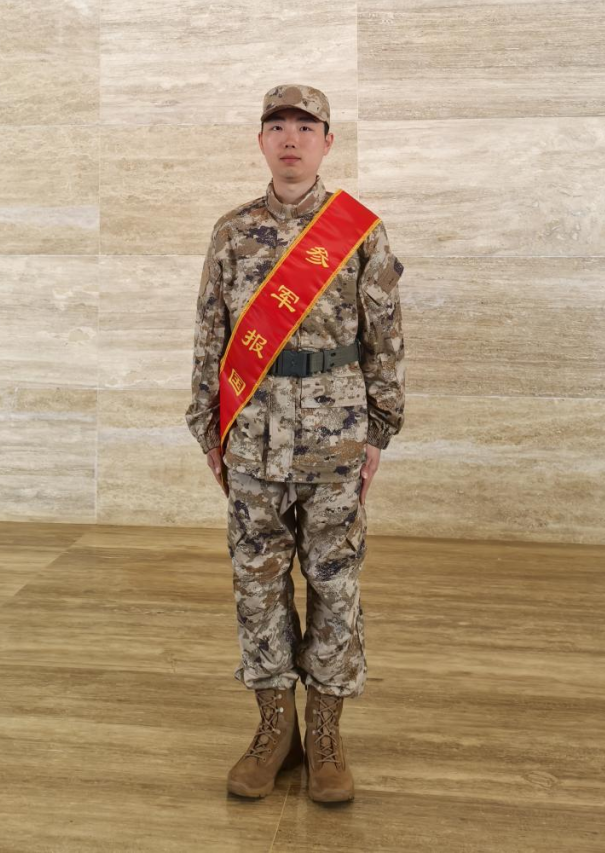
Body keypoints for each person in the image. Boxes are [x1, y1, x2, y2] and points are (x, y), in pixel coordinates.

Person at [185, 83, 406, 803]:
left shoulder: (359, 231)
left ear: (327, 141)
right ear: (260, 140)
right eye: (277, 125)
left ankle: (326, 734)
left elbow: (385, 336)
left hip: (335, 438)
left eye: (305, 127)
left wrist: (380, 428)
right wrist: (208, 424)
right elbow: (210, 332)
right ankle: (274, 727)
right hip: (251, 436)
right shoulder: (233, 231)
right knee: (258, 582)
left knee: (335, 582)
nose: (290, 138)